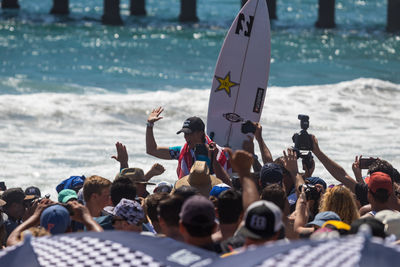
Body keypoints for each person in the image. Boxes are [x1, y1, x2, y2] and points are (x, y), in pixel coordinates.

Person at [145, 107, 229, 179]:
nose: (186, 137)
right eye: (185, 133)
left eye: (189, 133)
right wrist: (149, 124)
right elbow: (152, 150)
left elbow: (223, 181)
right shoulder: (181, 151)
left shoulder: (217, 152)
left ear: (200, 133)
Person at [7, 199, 103, 246]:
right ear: (69, 229)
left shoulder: (33, 251)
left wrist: (35, 217)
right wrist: (86, 217)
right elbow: (102, 238)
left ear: (40, 226)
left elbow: (11, 240)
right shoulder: (78, 249)